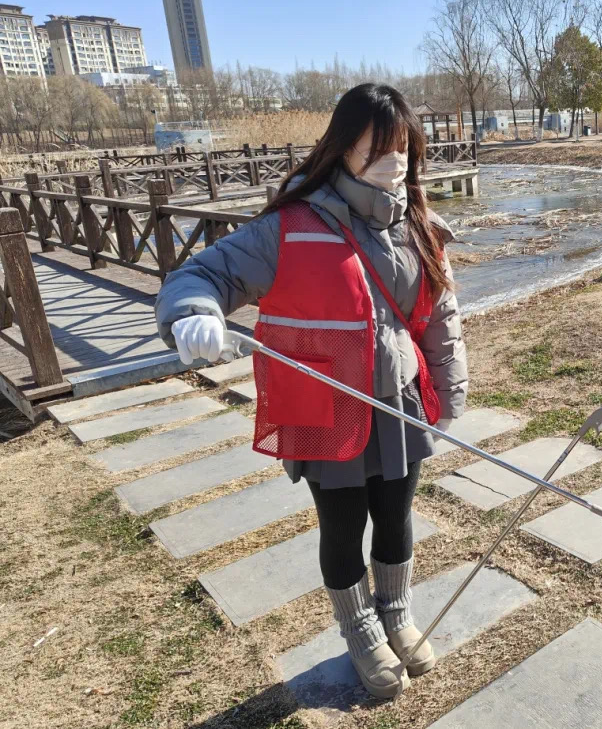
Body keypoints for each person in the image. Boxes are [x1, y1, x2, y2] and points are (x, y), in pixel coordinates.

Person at [155, 84, 468, 700]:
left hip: (399, 400)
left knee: (398, 516)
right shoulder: (289, 225)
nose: (393, 162)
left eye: (402, 148)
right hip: (327, 405)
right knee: (344, 523)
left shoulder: (420, 225)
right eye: (377, 148)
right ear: (341, 149)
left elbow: (442, 318)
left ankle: (396, 613)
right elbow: (204, 273)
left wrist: (449, 397)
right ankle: (360, 628)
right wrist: (195, 311)